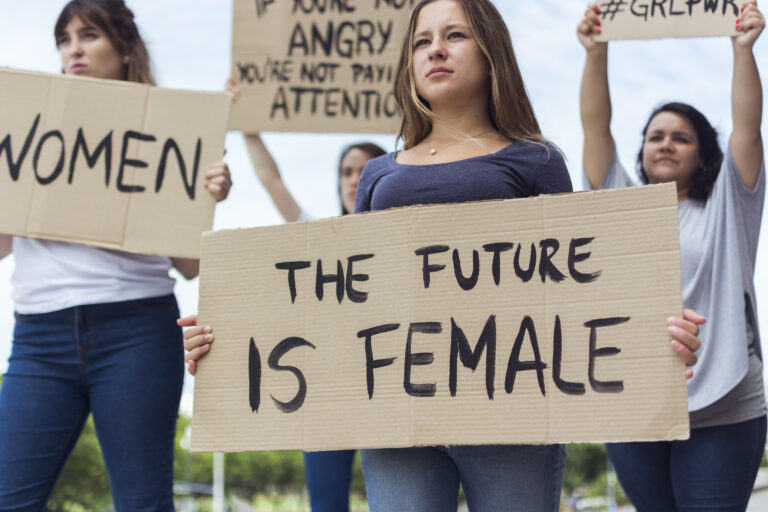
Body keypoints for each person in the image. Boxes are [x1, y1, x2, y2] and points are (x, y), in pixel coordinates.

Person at [352, 1, 702, 510]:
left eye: (455, 36)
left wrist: (654, 332)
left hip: (512, 415)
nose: (436, 51)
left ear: (492, 51)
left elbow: (579, 282)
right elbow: (350, 295)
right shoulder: (377, 174)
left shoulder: (534, 159)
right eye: (421, 41)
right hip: (397, 414)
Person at [0, 0, 232, 510]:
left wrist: (203, 199)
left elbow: (190, 267)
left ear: (124, 48)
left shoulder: (169, 133)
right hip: (39, 336)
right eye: (64, 39)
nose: (74, 49)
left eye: (88, 35)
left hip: (137, 331)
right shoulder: (29, 128)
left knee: (143, 503)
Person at [578, 1, 765, 509]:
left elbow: (746, 130)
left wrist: (742, 50)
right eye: (656, 136)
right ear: (640, 151)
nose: (665, 144)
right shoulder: (619, 202)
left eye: (681, 138)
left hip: (724, 406)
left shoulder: (730, 204)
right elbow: (597, 131)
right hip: (634, 404)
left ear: (704, 153)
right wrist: (596, 53)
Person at [184, 79, 386, 512]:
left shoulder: (401, 239)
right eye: (346, 172)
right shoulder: (316, 235)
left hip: (385, 391)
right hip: (327, 397)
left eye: (365, 169)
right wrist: (249, 125)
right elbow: (272, 180)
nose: (354, 180)